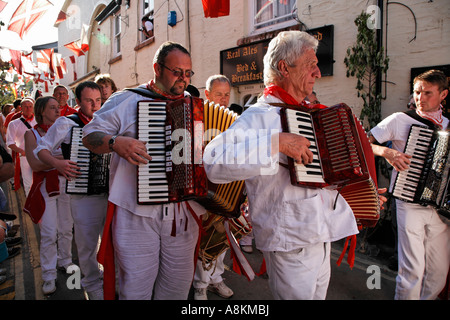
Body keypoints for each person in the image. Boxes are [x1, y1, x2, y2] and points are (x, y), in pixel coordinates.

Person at [202, 31, 363, 300]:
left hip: (322, 237)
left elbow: (324, 179)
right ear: (284, 68)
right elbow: (214, 164)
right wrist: (275, 142)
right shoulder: (259, 115)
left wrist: (359, 195)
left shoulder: (312, 114)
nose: (318, 72)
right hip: (291, 242)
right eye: (310, 64)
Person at [82, 41, 205, 300]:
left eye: (188, 73)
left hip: (182, 214)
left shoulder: (195, 107)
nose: (183, 79)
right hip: (135, 214)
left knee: (177, 290)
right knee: (135, 290)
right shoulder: (127, 99)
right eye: (176, 71)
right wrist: (115, 143)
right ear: (157, 68)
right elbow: (89, 135)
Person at [369, 69, 450, 300]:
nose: (420, 98)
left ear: (443, 94)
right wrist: (387, 152)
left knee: (438, 272)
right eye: (417, 92)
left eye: (427, 93)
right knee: (412, 270)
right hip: (408, 203)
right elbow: (364, 142)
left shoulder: (448, 126)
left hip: (439, 209)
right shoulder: (400, 119)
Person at [35, 81, 107, 300]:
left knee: (110, 242)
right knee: (85, 245)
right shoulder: (67, 123)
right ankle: (93, 288)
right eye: (89, 101)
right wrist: (58, 164)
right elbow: (41, 148)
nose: (95, 105)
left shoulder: (108, 120)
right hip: (82, 194)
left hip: (111, 193)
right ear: (78, 102)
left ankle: (107, 280)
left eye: (98, 100)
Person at [23, 96, 77, 295]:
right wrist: (58, 161)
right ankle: (48, 275)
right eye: (52, 108)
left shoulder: (65, 128)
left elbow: (74, 157)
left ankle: (66, 261)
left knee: (66, 227)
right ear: (42, 111)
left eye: (58, 107)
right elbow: (35, 164)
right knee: (48, 232)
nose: (57, 110)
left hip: (65, 183)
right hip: (45, 186)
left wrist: (53, 159)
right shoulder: (31, 134)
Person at [193, 74, 234, 300]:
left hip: (227, 188)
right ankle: (200, 284)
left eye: (227, 94)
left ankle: (216, 278)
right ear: (207, 94)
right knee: (204, 238)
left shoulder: (235, 120)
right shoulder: (197, 116)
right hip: (202, 189)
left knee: (223, 238)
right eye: (219, 94)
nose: (224, 99)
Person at [6, 97, 36, 196]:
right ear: (21, 108)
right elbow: (10, 142)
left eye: (30, 106)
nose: (28, 109)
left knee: (40, 181)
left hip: (39, 155)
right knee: (28, 183)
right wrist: (21, 151)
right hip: (25, 157)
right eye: (25, 107)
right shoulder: (14, 124)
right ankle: (30, 206)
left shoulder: (39, 121)